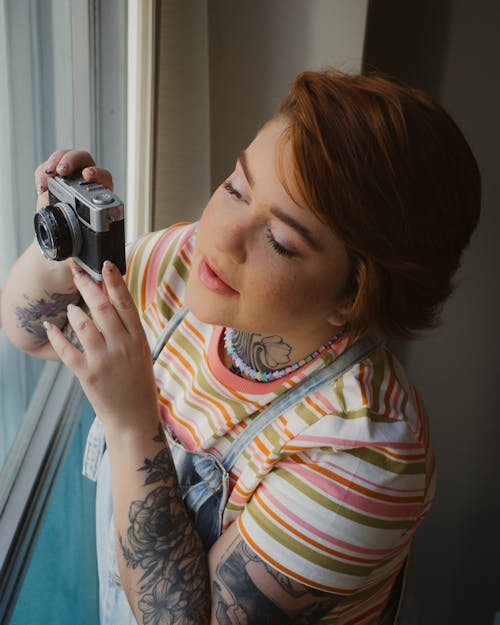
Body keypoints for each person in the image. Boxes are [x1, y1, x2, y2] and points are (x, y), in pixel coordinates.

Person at [1, 70, 480, 625]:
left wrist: (132, 426)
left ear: (353, 296)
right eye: (236, 187)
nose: (221, 235)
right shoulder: (184, 268)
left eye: (280, 240)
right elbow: (32, 332)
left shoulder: (365, 455)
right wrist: (63, 240)